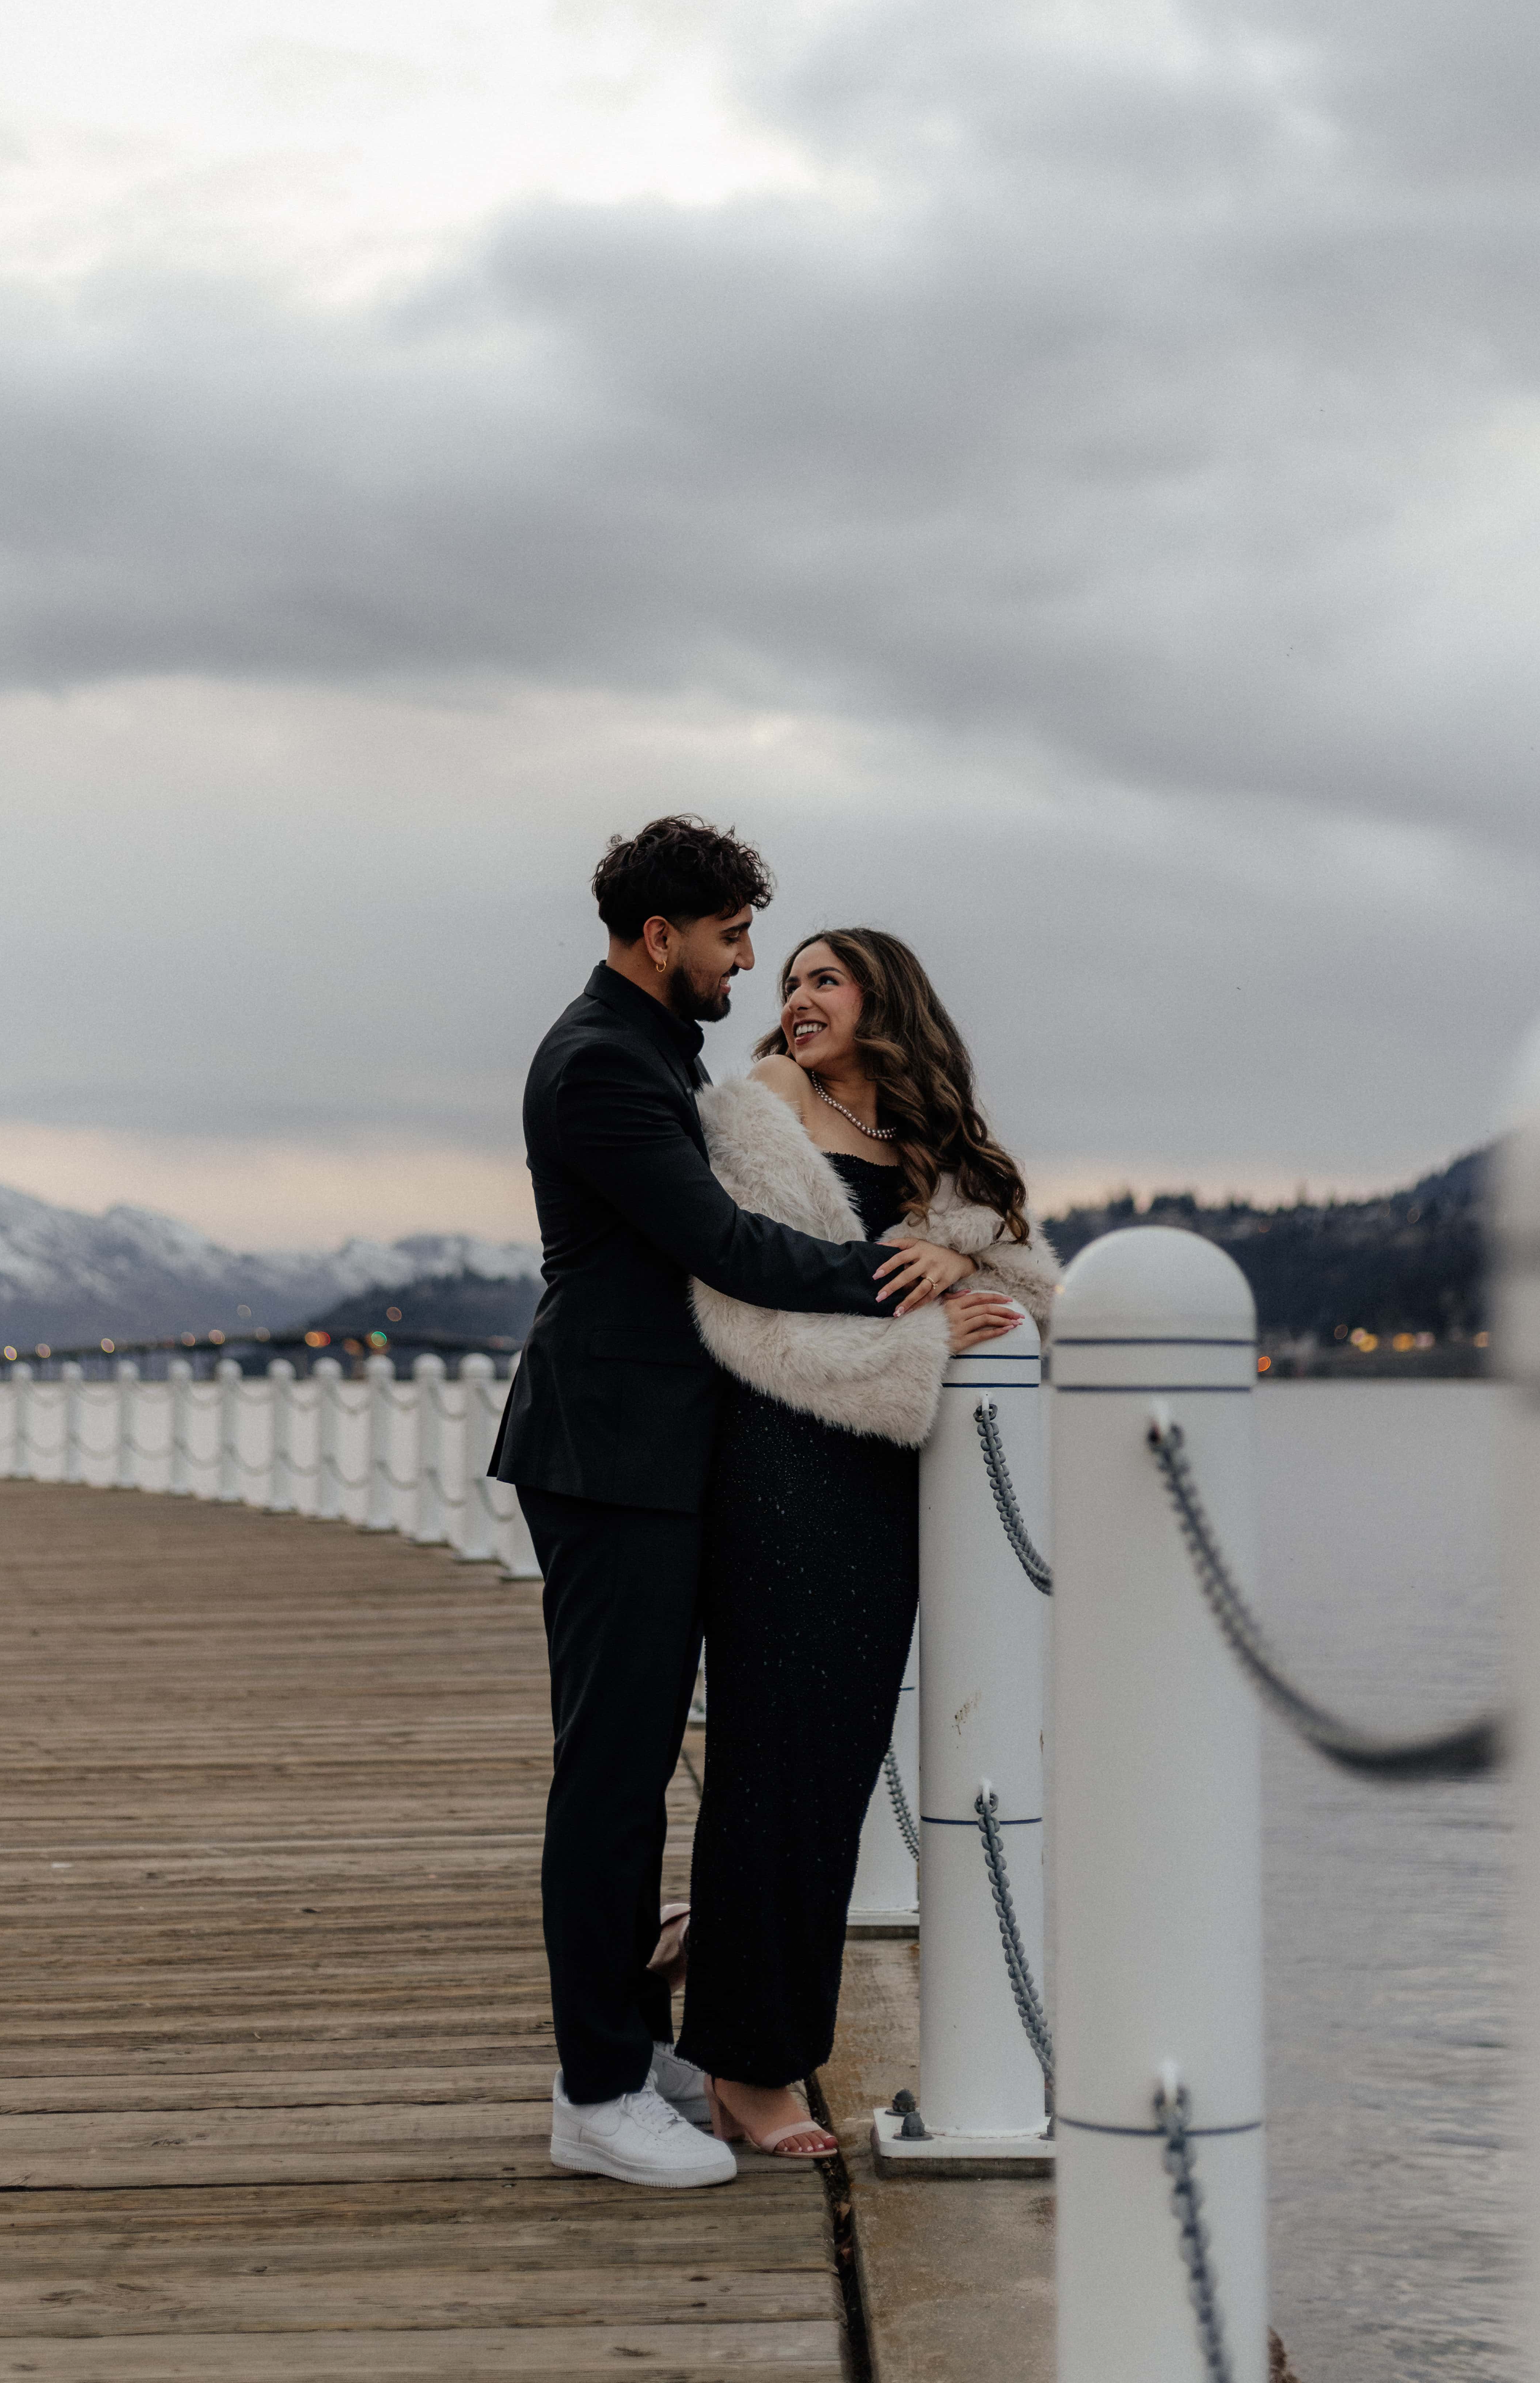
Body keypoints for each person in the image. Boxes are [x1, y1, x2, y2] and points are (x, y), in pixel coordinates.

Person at [489, 821, 974, 2188]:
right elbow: (719, 1245)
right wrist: (907, 1284)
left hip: (663, 1453)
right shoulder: (601, 1064)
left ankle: (634, 2049)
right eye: (733, 938)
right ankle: (596, 2090)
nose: (748, 962)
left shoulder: (652, 1052)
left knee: (636, 1767)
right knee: (610, 1777)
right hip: (612, 1455)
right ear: (665, 938)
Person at [673, 926, 1059, 2156]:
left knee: (831, 1759)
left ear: (885, 996)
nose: (795, 1000)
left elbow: (1020, 1282)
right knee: (781, 1752)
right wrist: (932, 1303)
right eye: (785, 981)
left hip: (888, 1467)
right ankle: (752, 2067)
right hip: (791, 1448)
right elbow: (757, 1289)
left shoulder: (929, 1141)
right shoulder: (768, 1104)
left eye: (823, 978)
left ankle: (722, 1971)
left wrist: (964, 1250)